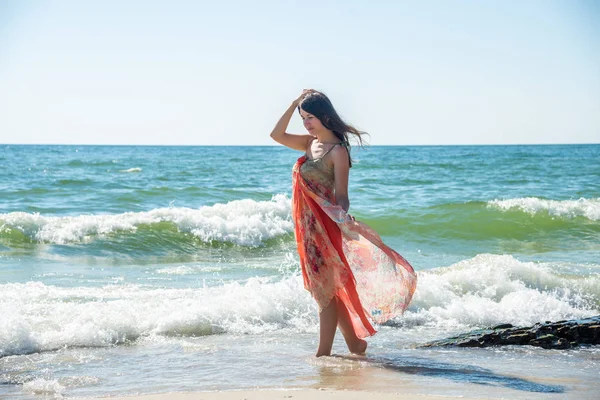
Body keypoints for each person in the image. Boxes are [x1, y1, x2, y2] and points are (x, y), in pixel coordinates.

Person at [270, 89, 417, 357]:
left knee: (325, 291)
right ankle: (354, 344)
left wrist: (342, 221)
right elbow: (276, 135)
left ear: (325, 116)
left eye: (310, 117)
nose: (306, 123)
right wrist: (293, 104)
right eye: (303, 118)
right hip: (307, 227)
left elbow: (342, 197)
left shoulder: (338, 152)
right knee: (327, 289)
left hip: (326, 227)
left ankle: (323, 354)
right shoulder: (308, 143)